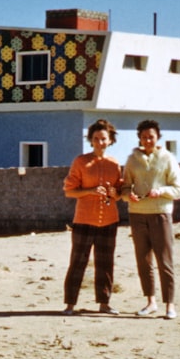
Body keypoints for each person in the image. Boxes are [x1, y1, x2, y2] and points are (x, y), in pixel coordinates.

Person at [122, 120, 180, 319]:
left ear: (158, 137)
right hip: (137, 214)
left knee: (164, 260)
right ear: (139, 138)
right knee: (143, 260)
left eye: (151, 136)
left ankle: (170, 305)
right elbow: (125, 186)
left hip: (161, 213)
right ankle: (150, 302)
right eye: (144, 137)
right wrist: (127, 196)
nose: (148, 140)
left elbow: (179, 190)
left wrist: (161, 191)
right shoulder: (132, 160)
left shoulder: (168, 158)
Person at [62, 119, 123, 316]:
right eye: (96, 139)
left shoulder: (115, 164)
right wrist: (89, 191)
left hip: (109, 221)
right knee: (78, 262)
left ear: (110, 140)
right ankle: (70, 304)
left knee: (105, 263)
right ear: (91, 140)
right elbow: (69, 191)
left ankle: (104, 303)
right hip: (83, 220)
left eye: (104, 139)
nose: (100, 142)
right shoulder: (81, 161)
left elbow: (120, 192)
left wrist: (115, 193)